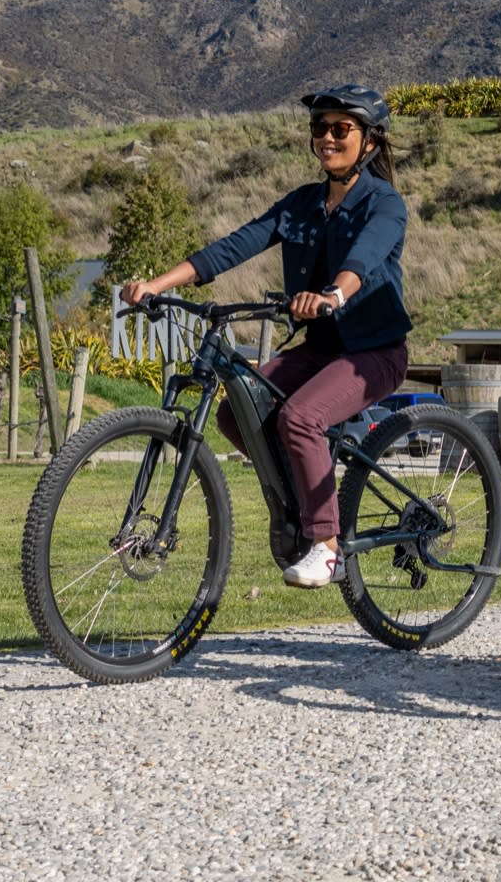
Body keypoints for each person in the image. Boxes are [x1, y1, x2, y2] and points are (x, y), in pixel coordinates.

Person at [119, 84, 411, 590]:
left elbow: (362, 258)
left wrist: (332, 296)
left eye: (341, 128)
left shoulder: (384, 203)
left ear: (370, 141)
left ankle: (327, 546)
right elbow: (236, 245)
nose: (326, 137)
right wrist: (155, 285)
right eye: (319, 127)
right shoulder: (302, 204)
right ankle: (306, 497)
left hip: (372, 354)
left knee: (299, 418)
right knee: (238, 409)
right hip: (320, 351)